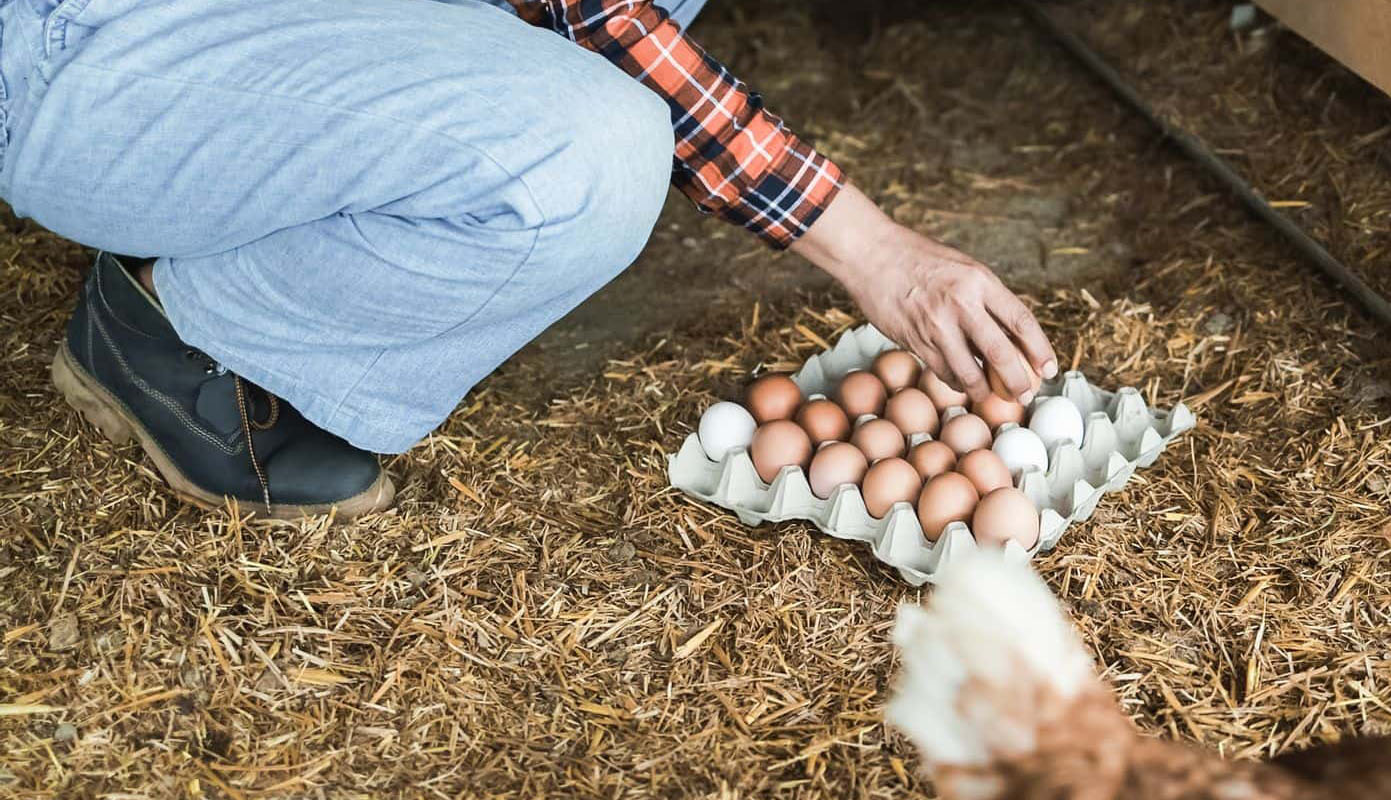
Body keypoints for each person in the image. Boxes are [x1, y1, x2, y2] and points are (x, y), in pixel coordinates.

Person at [13, 0, 1057, 518]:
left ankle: (258, 187)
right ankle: (183, 329)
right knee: (586, 152)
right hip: (69, 37)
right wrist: (874, 251)